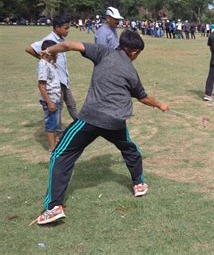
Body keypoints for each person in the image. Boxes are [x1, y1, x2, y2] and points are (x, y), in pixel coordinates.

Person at [33, 30, 170, 225]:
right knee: (129, 149)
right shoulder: (131, 71)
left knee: (60, 155)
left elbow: (69, 45)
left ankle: (53, 207)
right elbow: (143, 97)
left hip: (92, 118)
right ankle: (139, 183)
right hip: (115, 121)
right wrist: (160, 105)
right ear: (133, 52)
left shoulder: (103, 52)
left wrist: (51, 51)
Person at [26, 14, 78, 121]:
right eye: (66, 28)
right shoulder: (49, 40)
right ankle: (57, 132)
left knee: (72, 104)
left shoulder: (61, 39)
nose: (68, 30)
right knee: (58, 106)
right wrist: (45, 60)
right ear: (57, 27)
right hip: (56, 81)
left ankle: (80, 125)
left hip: (64, 79)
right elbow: (29, 48)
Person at [37, 40, 62, 153]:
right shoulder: (43, 65)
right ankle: (52, 148)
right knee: (51, 124)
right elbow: (41, 85)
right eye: (55, 52)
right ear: (48, 52)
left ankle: (55, 141)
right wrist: (49, 102)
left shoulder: (50, 64)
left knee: (55, 122)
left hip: (55, 98)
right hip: (50, 99)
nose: (57, 54)